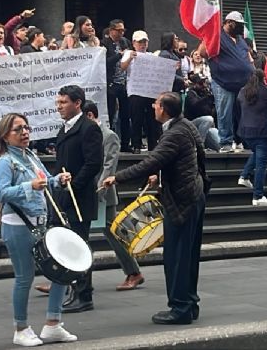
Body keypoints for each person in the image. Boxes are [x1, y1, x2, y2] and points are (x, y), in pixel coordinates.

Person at [101, 92, 209, 325]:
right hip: (193, 194)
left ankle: (179, 308)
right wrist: (162, 177)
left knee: (177, 257)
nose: (153, 106)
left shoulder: (175, 133)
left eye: (156, 104)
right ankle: (190, 304)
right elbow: (195, 156)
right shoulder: (186, 125)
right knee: (188, 256)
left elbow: (151, 161)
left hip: (181, 200)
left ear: (164, 110)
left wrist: (117, 178)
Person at [0, 113, 78, 346]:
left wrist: (58, 179)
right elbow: (2, 193)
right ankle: (20, 328)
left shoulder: (30, 156)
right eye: (18, 129)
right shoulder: (4, 161)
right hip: (18, 225)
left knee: (60, 271)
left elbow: (45, 180)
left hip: (40, 222)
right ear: (5, 136)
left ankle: (53, 324)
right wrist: (28, 186)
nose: (25, 133)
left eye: (26, 128)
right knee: (24, 277)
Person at [81, 101, 144, 289]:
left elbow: (109, 166)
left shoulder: (109, 136)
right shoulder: (84, 134)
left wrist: (99, 190)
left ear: (90, 116)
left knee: (113, 233)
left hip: (102, 194)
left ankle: (134, 271)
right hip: (85, 191)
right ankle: (65, 277)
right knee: (79, 231)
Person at [53, 85, 104, 313]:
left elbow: (93, 164)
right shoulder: (64, 129)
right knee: (68, 245)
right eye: (58, 102)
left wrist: (74, 184)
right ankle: (73, 289)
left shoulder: (88, 128)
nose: (59, 107)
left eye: (63, 102)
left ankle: (84, 294)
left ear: (77, 103)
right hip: (64, 195)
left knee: (79, 245)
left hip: (79, 197)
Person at [201, 11, 254, 152]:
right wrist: (208, 35)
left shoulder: (240, 39)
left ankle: (241, 140)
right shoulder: (217, 36)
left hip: (242, 84)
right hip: (223, 82)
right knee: (225, 113)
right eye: (239, 25)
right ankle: (225, 143)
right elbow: (203, 53)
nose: (242, 28)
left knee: (241, 114)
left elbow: (248, 58)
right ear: (230, 23)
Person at [236, 70, 267, 205]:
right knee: (262, 164)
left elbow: (238, 108)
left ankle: (244, 176)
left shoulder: (242, 91)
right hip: (264, 131)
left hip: (245, 131)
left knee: (257, 153)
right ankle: (257, 196)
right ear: (264, 79)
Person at [121, 31, 159, 153]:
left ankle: (153, 144)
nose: (142, 45)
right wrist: (130, 58)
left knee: (152, 118)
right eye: (140, 42)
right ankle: (136, 144)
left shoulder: (152, 55)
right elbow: (122, 67)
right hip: (135, 91)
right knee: (136, 118)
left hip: (149, 91)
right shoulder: (128, 53)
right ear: (134, 43)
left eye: (144, 42)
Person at [102, 19, 132, 152]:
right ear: (111, 31)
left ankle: (126, 143)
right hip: (111, 83)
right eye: (118, 30)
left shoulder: (125, 42)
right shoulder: (104, 44)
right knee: (110, 113)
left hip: (124, 83)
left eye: (123, 30)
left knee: (125, 114)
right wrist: (118, 56)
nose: (121, 33)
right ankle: (109, 144)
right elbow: (104, 63)